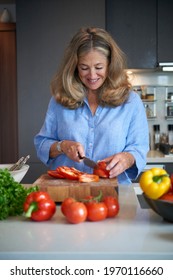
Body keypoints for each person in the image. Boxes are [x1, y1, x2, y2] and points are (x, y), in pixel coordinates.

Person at [34, 27, 149, 184]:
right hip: (69, 194)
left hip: (114, 193)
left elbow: (139, 148)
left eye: (99, 67)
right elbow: (42, 143)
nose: (92, 75)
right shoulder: (59, 100)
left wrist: (128, 158)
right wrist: (63, 146)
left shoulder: (131, 101)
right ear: (74, 67)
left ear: (110, 65)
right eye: (84, 68)